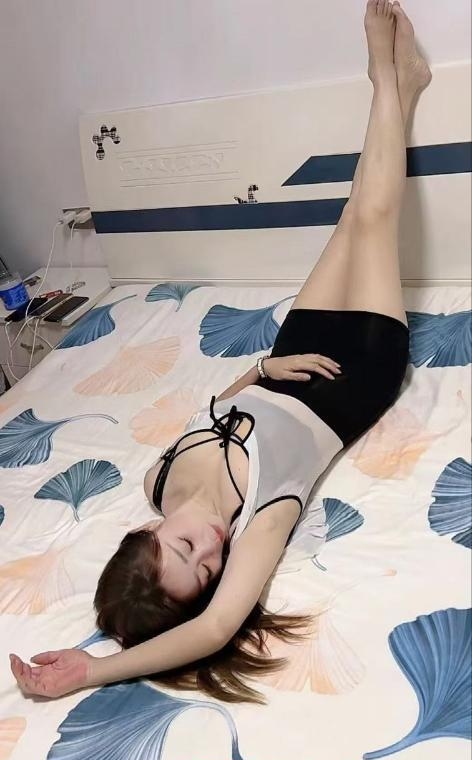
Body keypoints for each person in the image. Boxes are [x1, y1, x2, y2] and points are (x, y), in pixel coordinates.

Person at [10, 0, 431, 702]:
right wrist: (91, 670)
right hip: (358, 371)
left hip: (288, 360)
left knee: (350, 216)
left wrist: (261, 369)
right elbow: (212, 629)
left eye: (184, 548)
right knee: (375, 217)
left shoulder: (157, 480)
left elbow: (222, 410)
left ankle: (404, 88)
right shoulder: (259, 518)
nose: (210, 546)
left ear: (148, 530)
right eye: (207, 570)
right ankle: (386, 80)